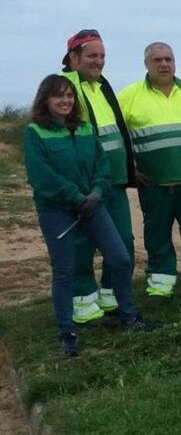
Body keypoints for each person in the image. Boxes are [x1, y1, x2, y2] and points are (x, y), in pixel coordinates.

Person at [25, 75, 158, 357]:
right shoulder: (35, 132)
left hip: (93, 204)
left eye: (69, 95)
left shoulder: (84, 127)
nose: (65, 101)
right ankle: (66, 332)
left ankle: (129, 316)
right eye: (58, 95)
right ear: (45, 99)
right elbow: (42, 176)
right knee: (64, 270)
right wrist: (76, 197)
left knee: (120, 258)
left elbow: (101, 163)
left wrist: (97, 191)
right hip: (58, 210)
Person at [118, 42, 181, 299]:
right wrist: (129, 169)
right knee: (157, 234)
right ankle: (160, 283)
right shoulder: (128, 97)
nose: (164, 64)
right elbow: (117, 138)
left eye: (168, 59)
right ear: (146, 64)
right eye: (157, 60)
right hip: (153, 183)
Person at [58, 29, 136, 322]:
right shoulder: (65, 87)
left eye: (102, 56)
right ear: (74, 57)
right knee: (83, 244)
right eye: (92, 56)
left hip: (112, 180)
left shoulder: (101, 86)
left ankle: (111, 296)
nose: (99, 61)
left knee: (123, 241)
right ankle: (83, 304)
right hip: (86, 185)